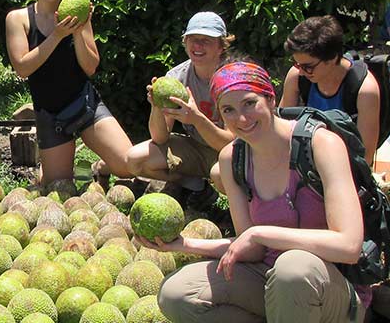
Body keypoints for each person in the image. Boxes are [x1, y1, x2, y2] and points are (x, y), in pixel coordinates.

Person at [145, 60, 368, 322]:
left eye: (250, 103)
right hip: (270, 279)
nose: (241, 118)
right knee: (177, 294)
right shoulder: (232, 159)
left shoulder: (322, 144)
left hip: (329, 288)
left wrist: (261, 233)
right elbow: (251, 249)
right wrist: (183, 244)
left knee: (293, 268)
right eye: (228, 110)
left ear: (271, 100)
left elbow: (349, 246)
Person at [4, 0, 138, 185]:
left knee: (128, 167)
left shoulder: (79, 13)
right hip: (50, 112)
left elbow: (90, 67)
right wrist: (57, 35)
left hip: (85, 104)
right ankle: (52, 168)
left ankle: (101, 166)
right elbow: (23, 68)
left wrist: (77, 29)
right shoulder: (18, 19)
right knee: (58, 185)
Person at [96, 11, 235, 202]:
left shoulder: (234, 80)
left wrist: (197, 119)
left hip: (231, 152)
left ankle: (242, 216)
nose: (198, 46)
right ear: (185, 42)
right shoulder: (176, 77)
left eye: (206, 40)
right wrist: (156, 106)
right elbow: (160, 138)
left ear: (221, 46)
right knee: (135, 159)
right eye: (192, 39)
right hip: (197, 148)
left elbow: (230, 143)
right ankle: (194, 186)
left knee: (221, 174)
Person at [280, 15, 381, 165]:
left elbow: (364, 157)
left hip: (346, 164)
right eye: (296, 64)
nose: (301, 71)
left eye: (308, 67)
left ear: (333, 58)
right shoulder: (296, 76)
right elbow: (280, 127)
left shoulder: (365, 89)